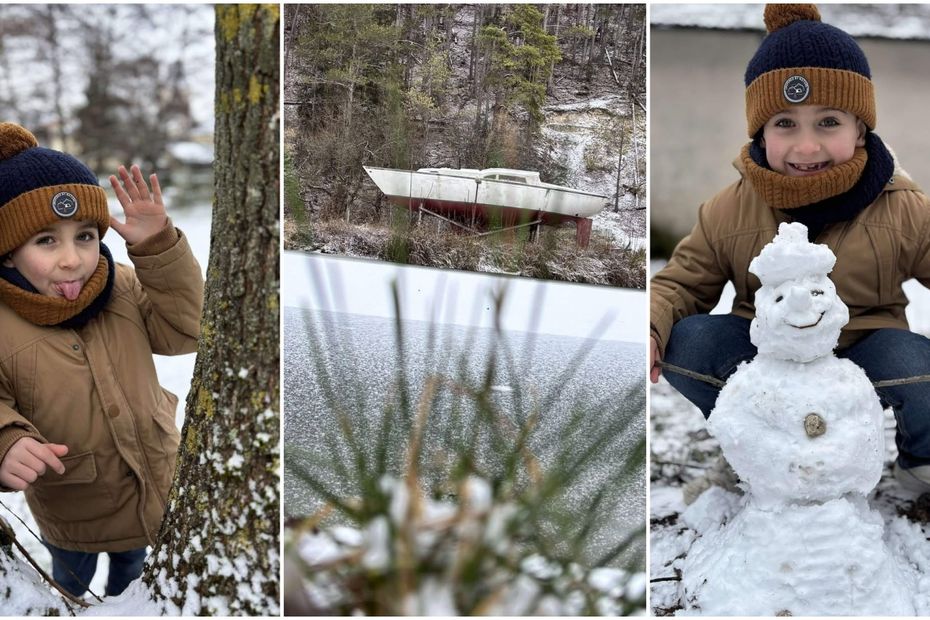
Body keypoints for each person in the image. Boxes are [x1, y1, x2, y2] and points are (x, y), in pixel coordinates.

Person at [650, 5, 930, 493]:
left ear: (860, 129)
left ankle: (920, 463)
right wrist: (651, 324)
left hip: (864, 351)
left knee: (918, 367)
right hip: (764, 358)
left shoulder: (903, 207)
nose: (806, 147)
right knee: (687, 340)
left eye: (828, 122)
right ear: (760, 131)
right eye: (785, 123)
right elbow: (680, 283)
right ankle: (753, 450)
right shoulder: (728, 210)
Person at [0, 122, 204, 596]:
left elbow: (188, 328)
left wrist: (158, 248)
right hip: (74, 507)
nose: (72, 259)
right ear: (8, 254)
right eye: (46, 241)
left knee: (132, 581)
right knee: (69, 585)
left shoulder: (125, 286)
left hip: (151, 488)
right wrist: (6, 440)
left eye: (86, 236)